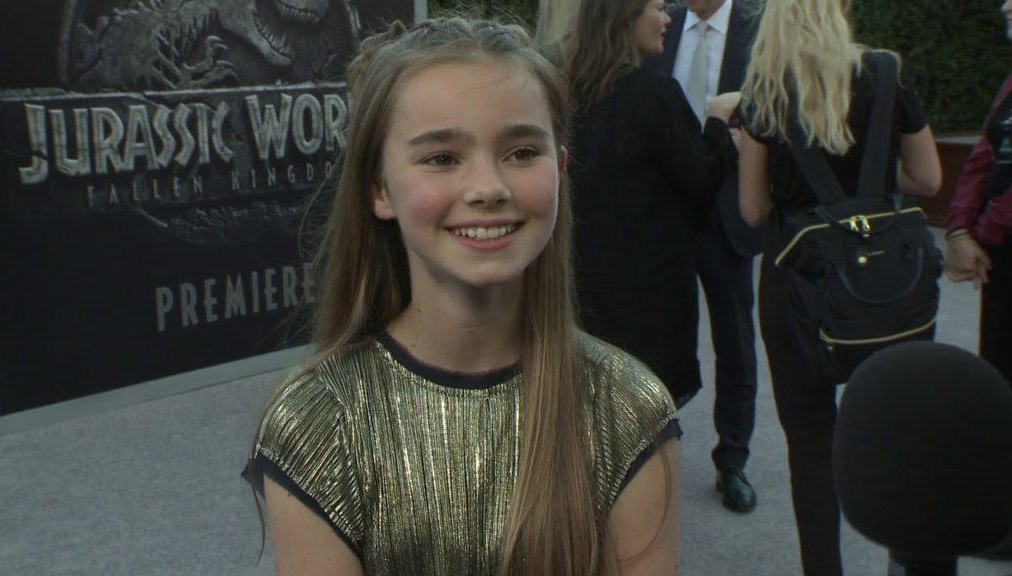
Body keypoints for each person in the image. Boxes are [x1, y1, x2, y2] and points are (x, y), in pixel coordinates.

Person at [245, 17, 683, 575]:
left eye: (521, 152)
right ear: (379, 188)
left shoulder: (626, 409)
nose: (488, 188)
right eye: (441, 158)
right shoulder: (320, 422)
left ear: (560, 168)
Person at [737, 0, 942, 574]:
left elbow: (753, 210)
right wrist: (870, 188)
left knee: (810, 445)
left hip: (800, 291)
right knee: (900, 433)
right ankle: (913, 564)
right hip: (889, 284)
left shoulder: (765, 91)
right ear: (843, 7)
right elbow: (928, 178)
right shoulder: (886, 71)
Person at [566, 0, 739, 410]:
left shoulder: (567, 92)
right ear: (625, 15)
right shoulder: (654, 95)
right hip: (650, 293)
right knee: (648, 422)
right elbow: (701, 177)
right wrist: (718, 121)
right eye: (659, 8)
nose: (667, 19)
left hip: (582, 286)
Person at [643, 0, 762, 514]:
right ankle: (649, 450)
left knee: (735, 340)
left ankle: (732, 459)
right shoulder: (658, 24)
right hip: (663, 209)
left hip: (729, 211)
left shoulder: (756, 28)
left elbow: (779, 109)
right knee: (657, 334)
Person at [945, 0, 1012, 387]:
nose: (1006, 6)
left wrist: (982, 235)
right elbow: (983, 155)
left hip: (998, 241)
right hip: (1000, 253)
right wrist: (959, 230)